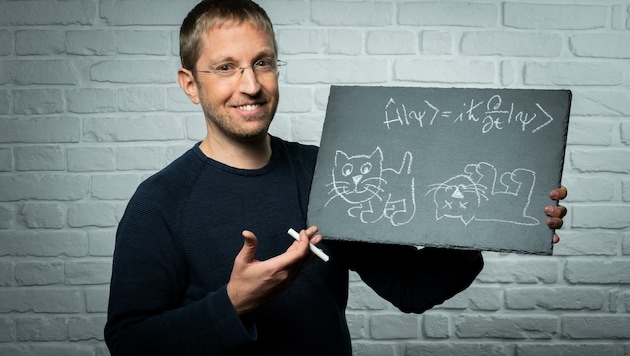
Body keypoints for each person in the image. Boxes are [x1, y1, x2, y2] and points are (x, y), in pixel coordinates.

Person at [104, 1, 568, 355]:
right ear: (190, 84)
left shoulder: (322, 173)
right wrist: (234, 303)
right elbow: (129, 342)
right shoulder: (160, 201)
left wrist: (488, 218)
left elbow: (411, 289)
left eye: (262, 62)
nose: (250, 85)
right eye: (226, 68)